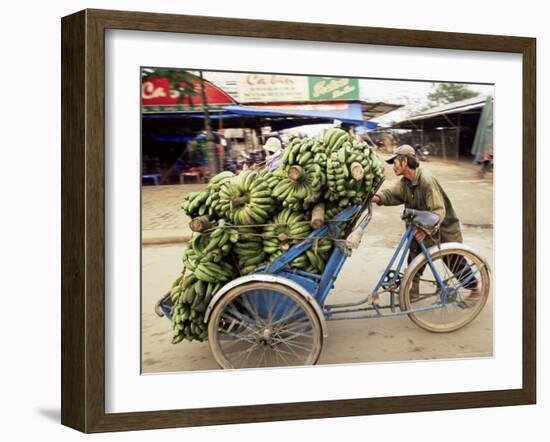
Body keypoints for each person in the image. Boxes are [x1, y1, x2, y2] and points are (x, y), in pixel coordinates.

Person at [371, 145, 480, 303]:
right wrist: (376, 198)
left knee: (454, 262)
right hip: (421, 228)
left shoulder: (426, 180)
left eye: (395, 162)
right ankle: (413, 289)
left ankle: (475, 290)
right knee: (414, 256)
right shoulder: (405, 182)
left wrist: (427, 230)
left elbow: (438, 211)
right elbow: (392, 194)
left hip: (442, 230)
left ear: (405, 161)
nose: (393, 166)